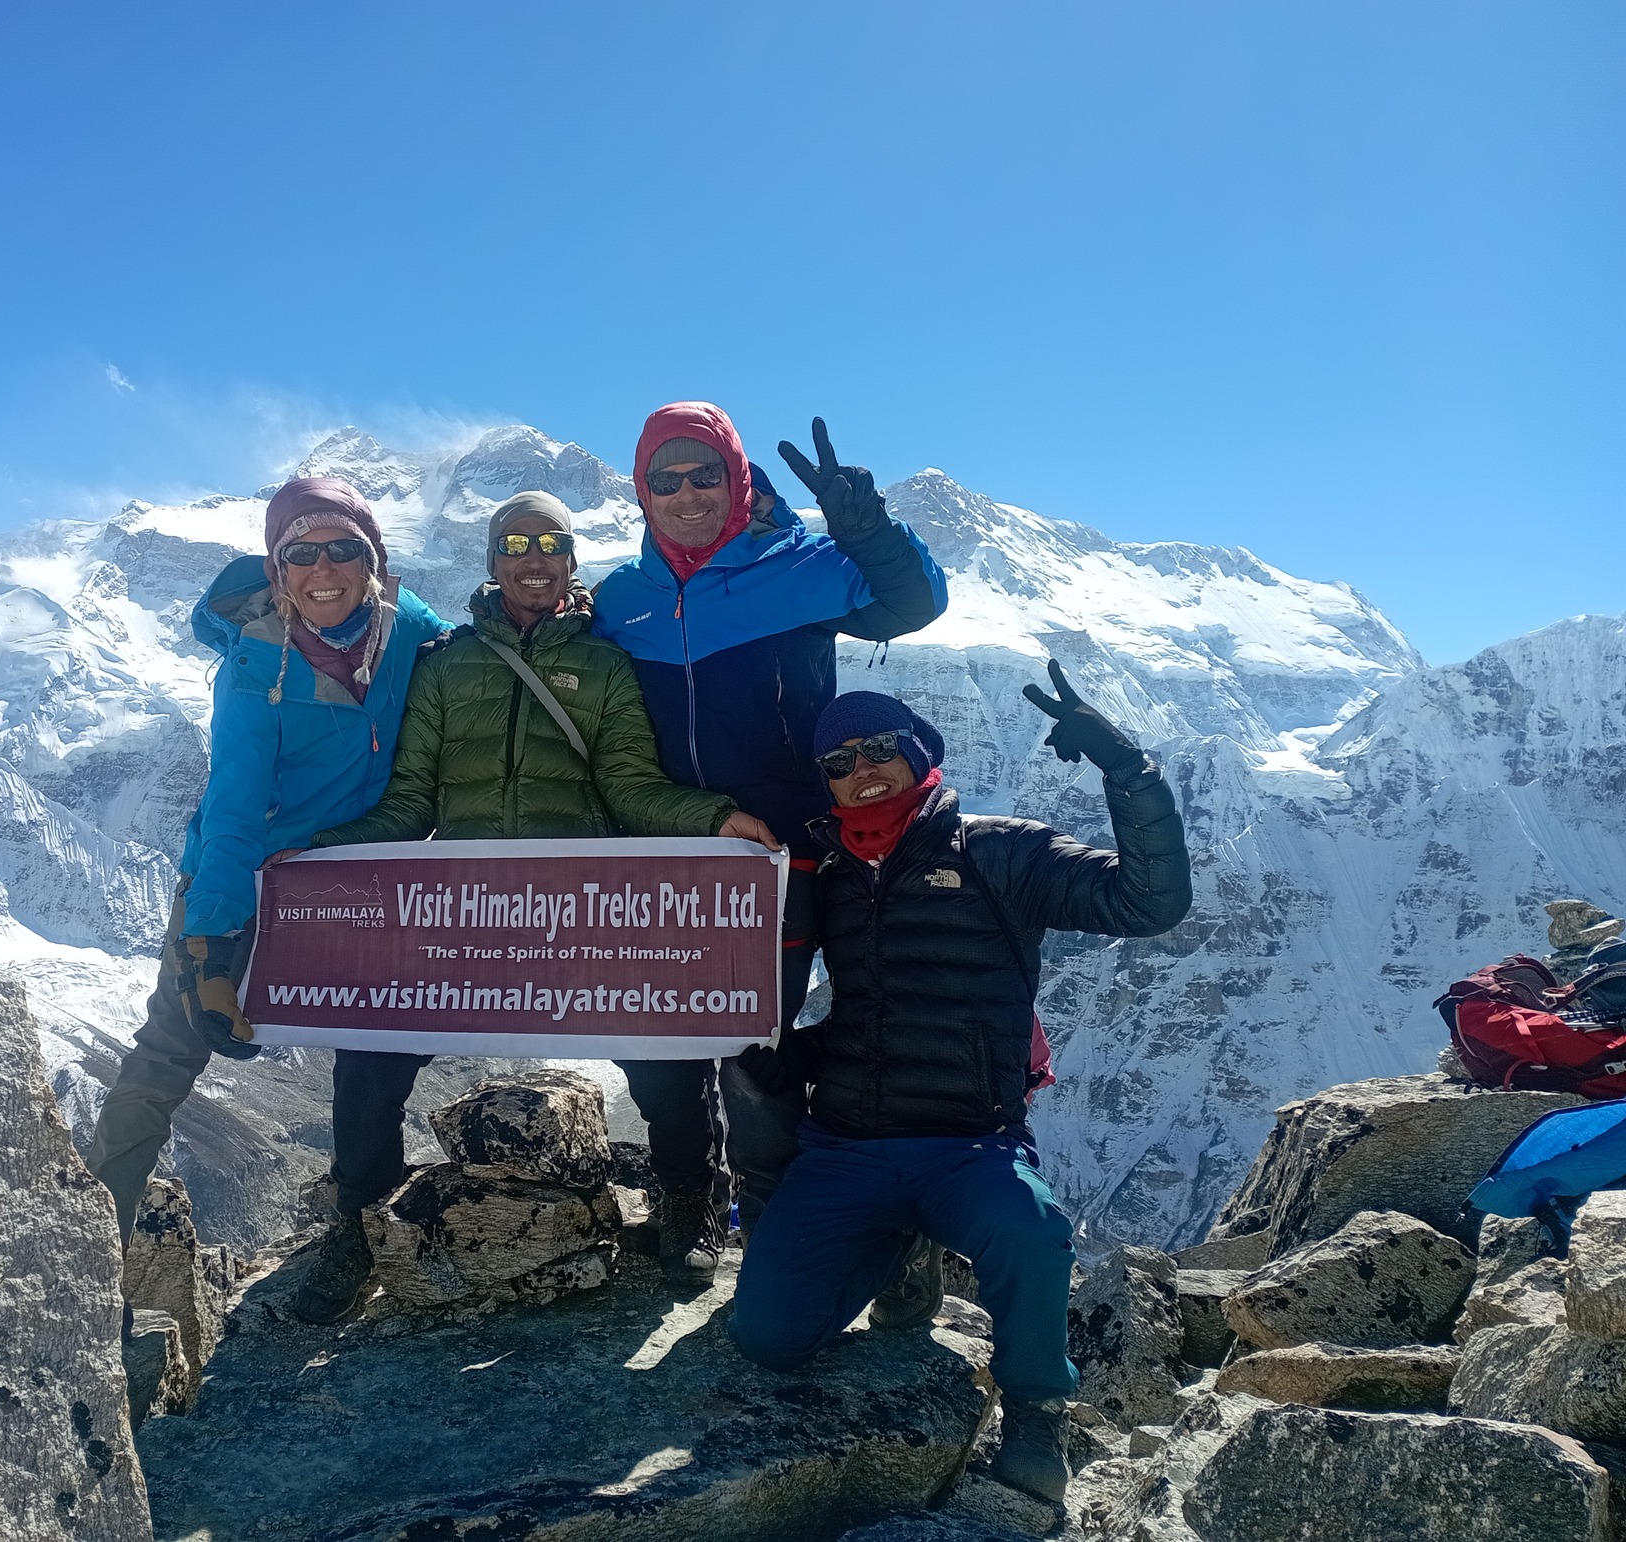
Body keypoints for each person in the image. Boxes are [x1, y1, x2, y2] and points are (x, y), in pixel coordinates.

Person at [282, 491, 782, 1320]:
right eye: (515, 543)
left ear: (570, 559)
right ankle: (356, 1224)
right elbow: (412, 801)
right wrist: (325, 850)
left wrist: (712, 820)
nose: (533, 557)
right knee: (369, 1055)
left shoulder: (606, 663)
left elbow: (629, 785)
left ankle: (691, 1197)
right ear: (492, 561)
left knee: (665, 1057)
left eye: (550, 542)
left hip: (575, 905)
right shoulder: (446, 665)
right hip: (467, 908)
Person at [724, 672, 1192, 1504]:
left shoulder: (1001, 849)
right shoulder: (827, 870)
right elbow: (867, 1001)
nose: (861, 769)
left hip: (970, 1142)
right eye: (838, 760)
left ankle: (1037, 1413)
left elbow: (1146, 902)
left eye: (877, 749)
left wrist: (1130, 772)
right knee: (767, 1339)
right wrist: (797, 1056)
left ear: (917, 755)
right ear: (825, 781)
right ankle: (896, 1245)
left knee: (1034, 1234)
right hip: (848, 1145)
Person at [591, 404, 949, 1234]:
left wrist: (871, 530)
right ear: (642, 493)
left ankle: (773, 1224)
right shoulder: (622, 599)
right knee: (657, 1047)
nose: (687, 494)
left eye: (705, 474)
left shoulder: (800, 566)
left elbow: (911, 602)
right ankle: (689, 1197)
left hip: (784, 856)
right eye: (665, 480)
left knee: (757, 1050)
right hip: (669, 858)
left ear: (737, 478)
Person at [87, 477, 447, 1253]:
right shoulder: (255, 662)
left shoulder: (416, 631)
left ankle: (361, 1227)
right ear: (278, 569)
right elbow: (234, 805)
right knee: (167, 1054)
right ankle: (78, 1249)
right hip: (242, 872)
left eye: (344, 549)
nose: (325, 569)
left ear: (374, 561)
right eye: (302, 553)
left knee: (376, 1048)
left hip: (351, 880)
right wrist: (209, 942)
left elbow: (492, 662)